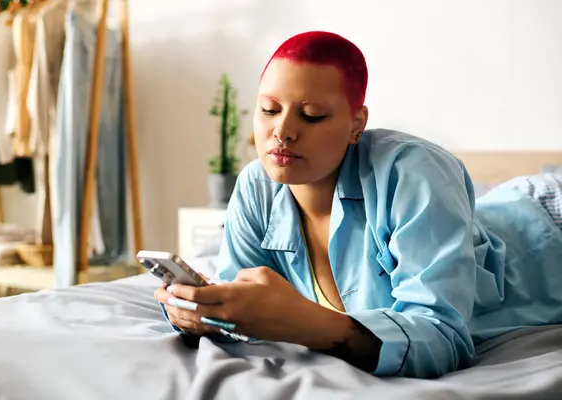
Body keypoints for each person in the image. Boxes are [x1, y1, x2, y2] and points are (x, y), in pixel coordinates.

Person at [155, 31, 562, 378]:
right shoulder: (254, 187)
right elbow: (243, 300)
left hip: (548, 221)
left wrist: (311, 324)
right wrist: (202, 314)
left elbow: (442, 337)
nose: (282, 132)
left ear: (356, 124)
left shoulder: (414, 172)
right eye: (269, 110)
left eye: (311, 115)